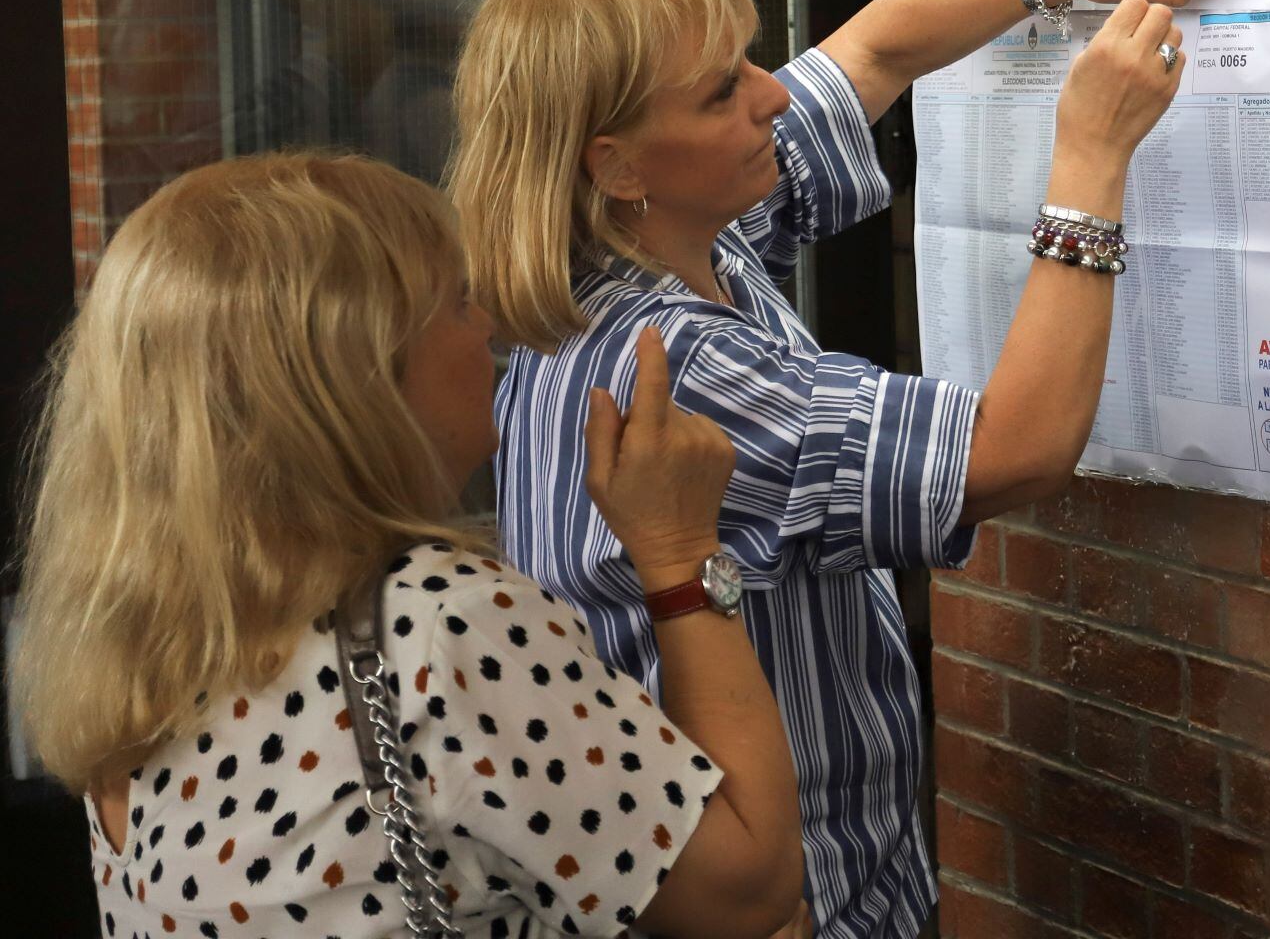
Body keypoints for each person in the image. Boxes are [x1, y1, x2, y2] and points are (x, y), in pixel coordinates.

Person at [448, 0, 1233, 938]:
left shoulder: (654, 248)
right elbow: (1014, 449)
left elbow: (873, 52)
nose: (770, 93)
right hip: (798, 902)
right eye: (724, 89)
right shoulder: (679, 367)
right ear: (620, 166)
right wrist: (1090, 155)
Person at [11, 152, 808, 938]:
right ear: (358, 371)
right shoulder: (440, 628)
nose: (489, 325)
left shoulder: (138, 642)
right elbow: (746, 894)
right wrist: (678, 555)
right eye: (459, 300)